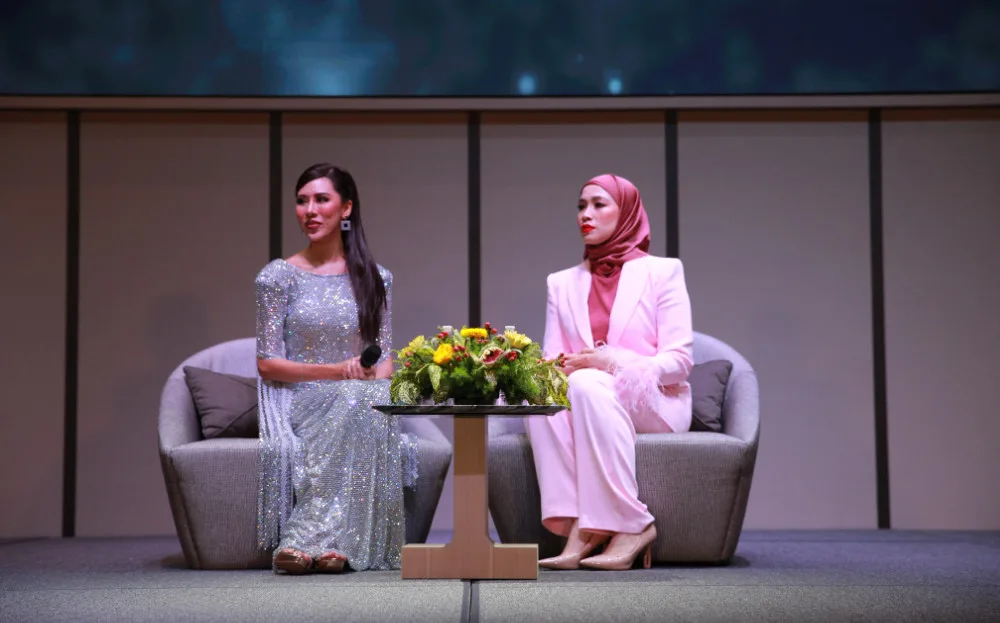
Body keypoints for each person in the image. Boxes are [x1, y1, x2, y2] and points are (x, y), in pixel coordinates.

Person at [526, 173, 694, 571]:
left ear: (627, 212)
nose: (586, 214)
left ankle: (633, 523)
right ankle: (581, 523)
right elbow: (553, 357)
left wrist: (612, 363)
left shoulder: (663, 272)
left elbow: (680, 361)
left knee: (587, 382)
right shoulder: (560, 283)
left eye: (599, 204)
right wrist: (556, 367)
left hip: (654, 402)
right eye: (581, 206)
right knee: (540, 396)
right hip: (589, 395)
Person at [254, 163, 415, 574]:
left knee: (371, 397)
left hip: (358, 395)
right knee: (359, 400)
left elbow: (385, 358)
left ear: (346, 208)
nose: (310, 210)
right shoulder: (277, 277)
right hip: (301, 401)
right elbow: (267, 363)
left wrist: (371, 378)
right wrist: (336, 371)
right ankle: (311, 539)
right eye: (302, 201)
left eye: (321, 200)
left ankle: (334, 544)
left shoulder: (376, 277)